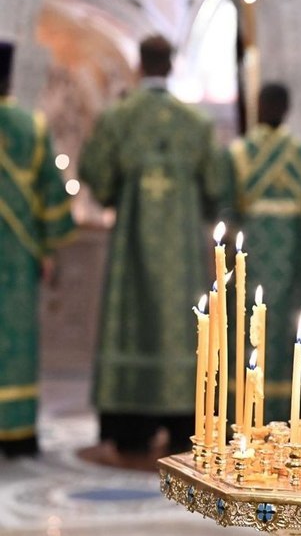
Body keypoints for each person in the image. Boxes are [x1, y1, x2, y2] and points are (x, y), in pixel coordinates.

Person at [79, 35, 228, 458]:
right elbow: (217, 185)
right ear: (172, 64)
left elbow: (96, 171)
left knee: (132, 320)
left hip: (133, 245)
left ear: (140, 65)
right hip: (180, 251)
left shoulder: (119, 117)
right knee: (184, 323)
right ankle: (185, 424)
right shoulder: (195, 124)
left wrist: (117, 195)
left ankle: (130, 428)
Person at [224, 83, 301, 423]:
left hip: (251, 256)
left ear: (260, 106)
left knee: (250, 328)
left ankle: (247, 412)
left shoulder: (239, 153)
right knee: (290, 332)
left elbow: (226, 210)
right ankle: (291, 413)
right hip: (294, 259)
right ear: (287, 108)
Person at [0, 41, 75, 457]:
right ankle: (16, 432)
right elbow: (52, 196)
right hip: (18, 253)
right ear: (10, 78)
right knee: (16, 340)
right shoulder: (33, 127)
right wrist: (50, 251)